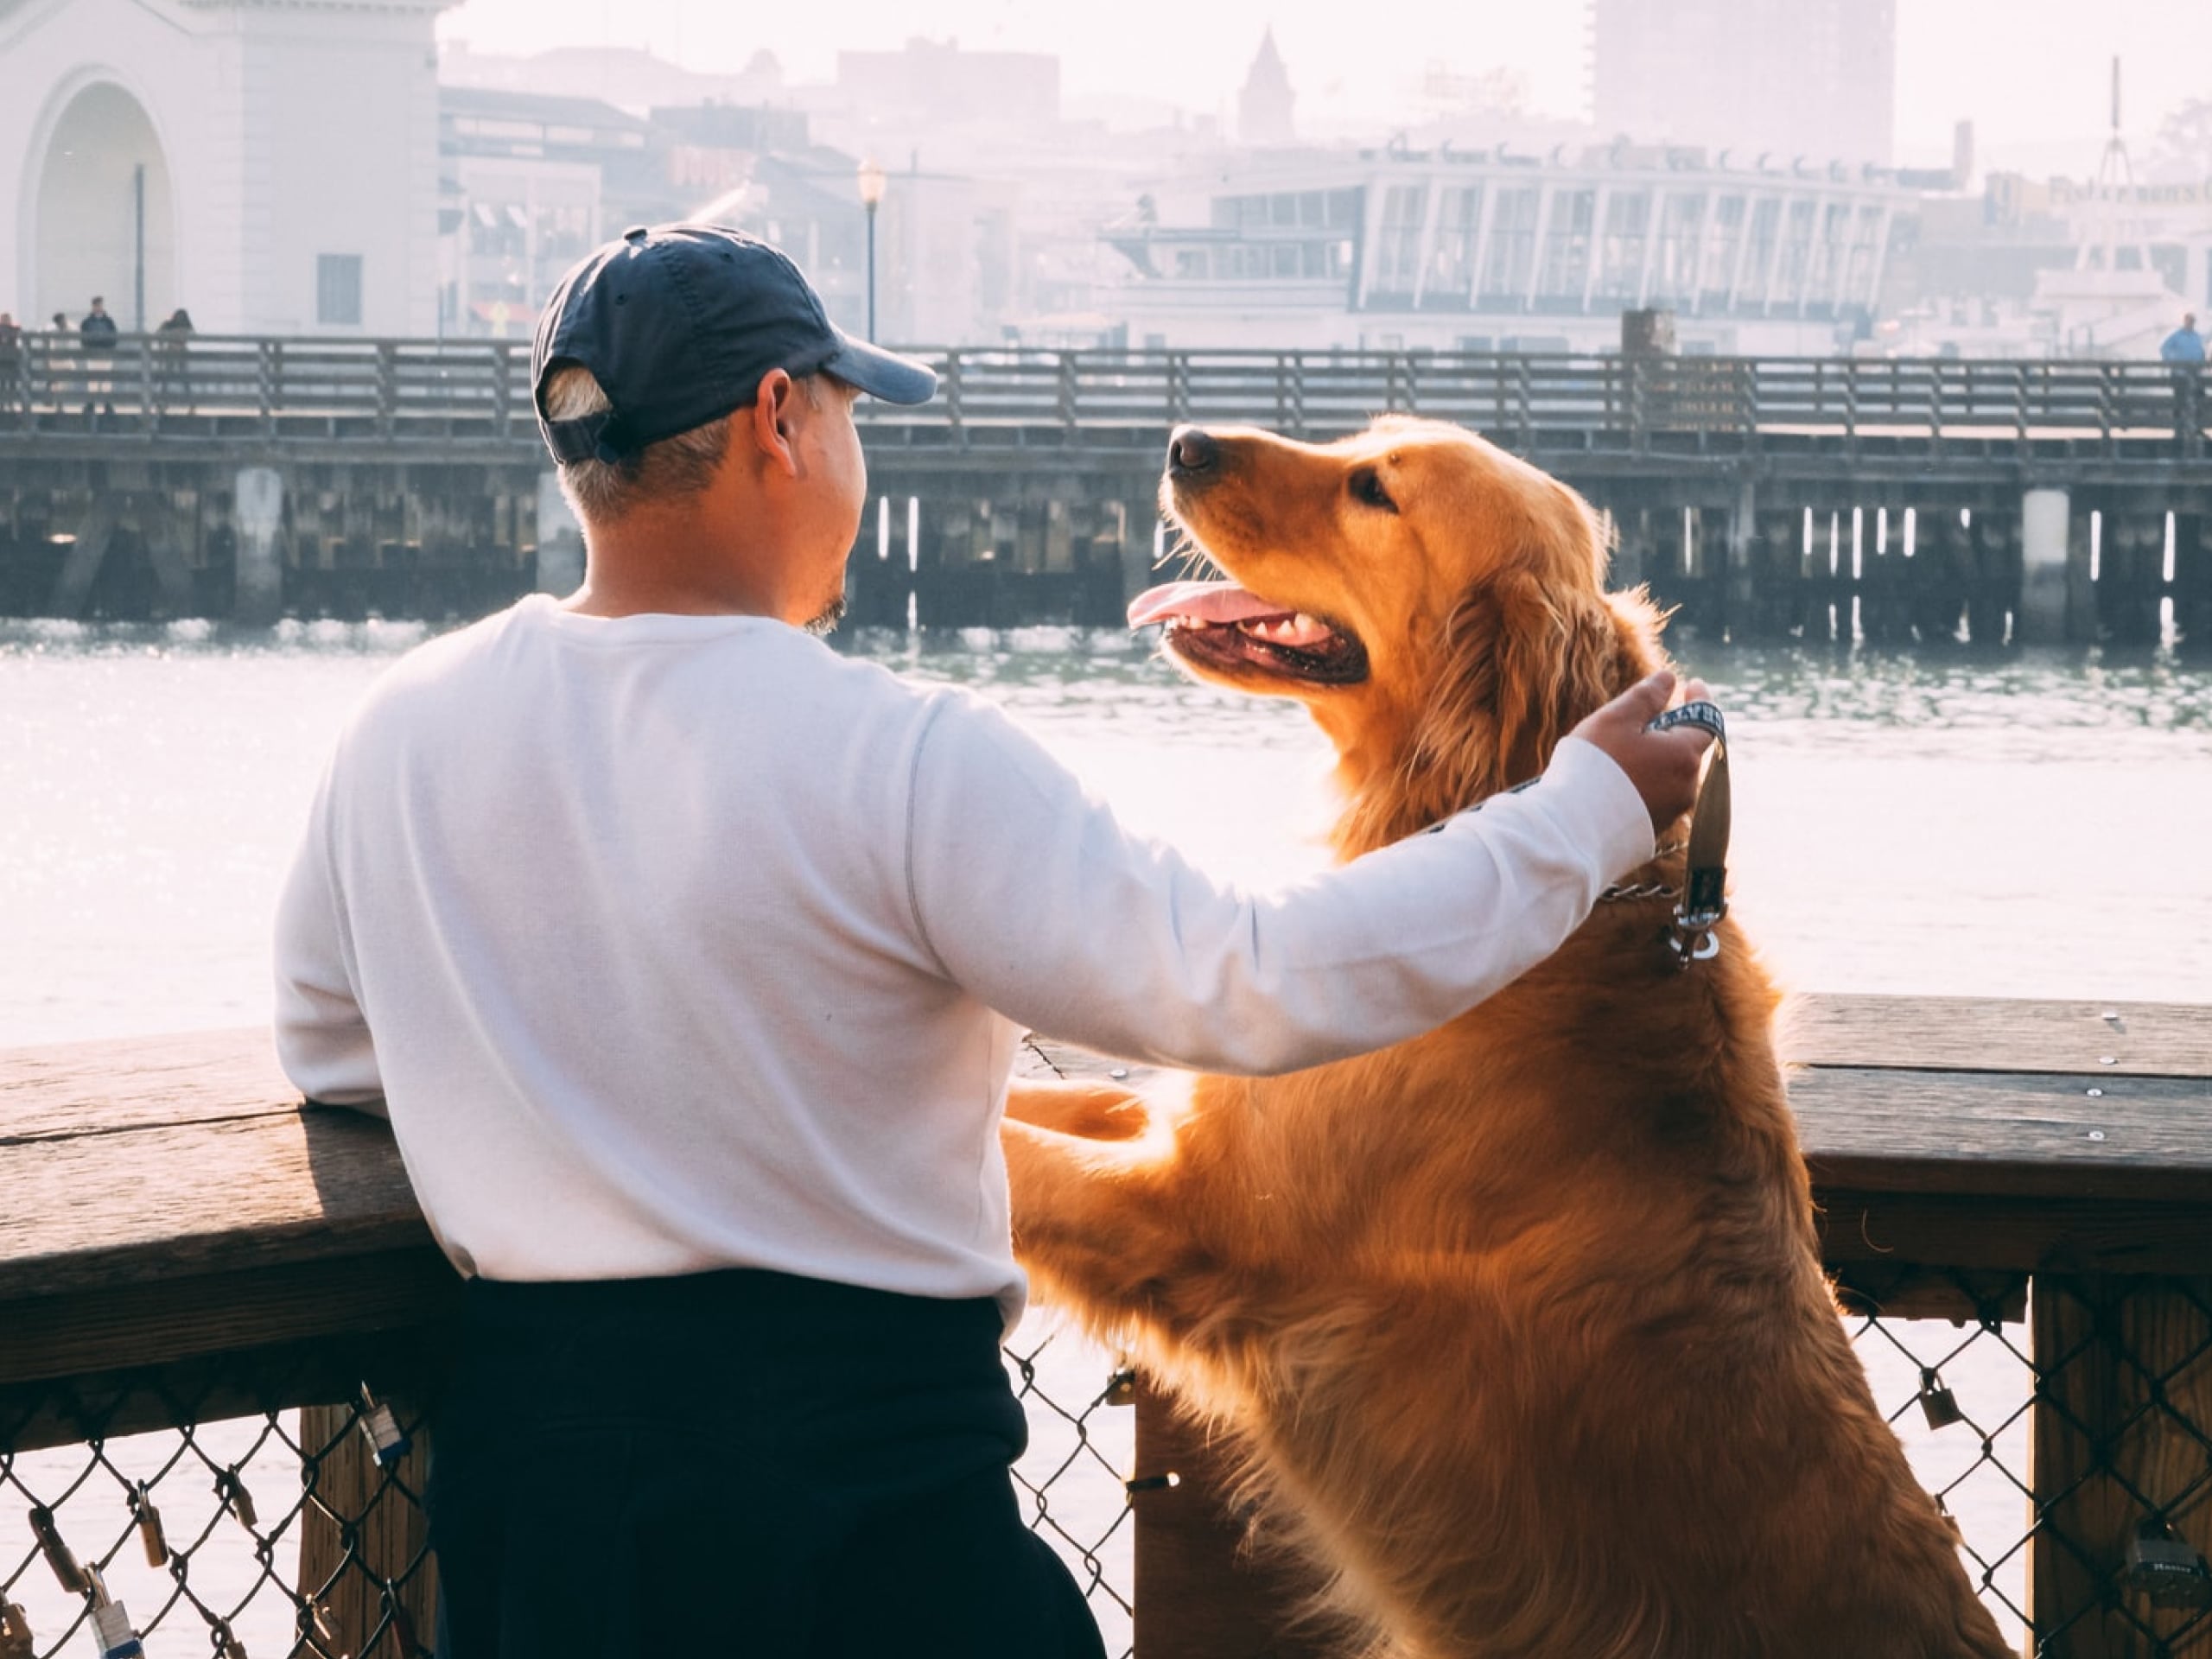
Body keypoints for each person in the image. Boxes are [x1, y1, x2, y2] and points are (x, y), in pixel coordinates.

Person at [272, 224, 1717, 1659]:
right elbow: (1246, 977)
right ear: (783, 421)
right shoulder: (897, 755)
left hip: (540, 1521)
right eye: (847, 410)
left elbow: (334, 1055)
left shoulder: (394, 733)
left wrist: (582, 1100)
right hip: (855, 1510)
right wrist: (1585, 813)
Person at [78, 296, 117, 419]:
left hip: (106, 354)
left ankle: (107, 404)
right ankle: (91, 404)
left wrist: (108, 347)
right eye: (96, 305)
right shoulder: (87, 322)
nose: (98, 307)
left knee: (106, 381)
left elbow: (114, 336)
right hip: (93, 354)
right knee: (93, 380)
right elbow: (83, 337)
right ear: (93, 307)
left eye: (99, 305)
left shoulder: (109, 322)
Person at [155, 307, 194, 416]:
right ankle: (190, 404)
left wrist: (166, 343)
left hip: (174, 353)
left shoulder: (169, 325)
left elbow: (158, 335)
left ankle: (163, 403)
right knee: (179, 380)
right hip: (177, 354)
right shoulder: (184, 326)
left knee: (168, 380)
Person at [0, 313, 21, 416]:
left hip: (10, 360)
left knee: (10, 383)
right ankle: (5, 403)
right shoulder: (12, 330)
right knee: (4, 383)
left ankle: (9, 403)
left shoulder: (13, 330)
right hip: (5, 360)